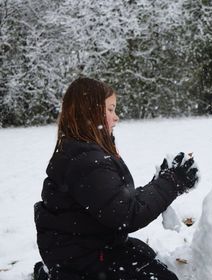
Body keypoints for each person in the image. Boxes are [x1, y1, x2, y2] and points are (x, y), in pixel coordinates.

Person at [34, 77, 199, 280]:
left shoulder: (81, 151)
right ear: (90, 112)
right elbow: (126, 215)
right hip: (81, 256)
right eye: (110, 109)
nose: (116, 117)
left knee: (144, 255)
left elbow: (116, 202)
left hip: (83, 246)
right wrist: (171, 182)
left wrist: (161, 181)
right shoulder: (87, 161)